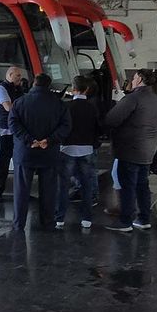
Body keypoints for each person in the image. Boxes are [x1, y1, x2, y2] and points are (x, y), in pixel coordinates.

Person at [102, 68, 157, 231]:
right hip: (148, 149)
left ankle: (125, 221)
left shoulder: (133, 98)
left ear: (140, 79)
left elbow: (111, 119)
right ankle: (144, 218)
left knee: (127, 185)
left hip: (129, 148)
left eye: (134, 78)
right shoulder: (156, 100)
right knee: (142, 185)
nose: (132, 81)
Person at [10, 73, 70, 230]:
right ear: (48, 85)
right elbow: (66, 126)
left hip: (25, 152)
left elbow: (13, 124)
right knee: (49, 190)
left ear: (33, 84)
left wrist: (29, 140)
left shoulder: (19, 102)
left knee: (21, 191)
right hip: (48, 152)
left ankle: (19, 224)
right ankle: (48, 223)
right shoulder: (58, 104)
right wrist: (48, 140)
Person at [55, 75, 101, 229]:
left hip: (67, 149)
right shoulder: (92, 107)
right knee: (86, 185)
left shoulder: (65, 106)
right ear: (87, 89)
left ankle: (60, 218)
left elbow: (60, 128)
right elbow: (99, 128)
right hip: (87, 149)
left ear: (72, 89)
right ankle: (86, 219)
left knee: (63, 185)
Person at [0, 66, 27, 201]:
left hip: (18, 131)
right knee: (4, 163)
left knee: (20, 162)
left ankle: (20, 192)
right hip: (7, 132)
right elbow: (8, 107)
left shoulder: (19, 89)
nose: (20, 78)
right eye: (18, 75)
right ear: (10, 75)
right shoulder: (1, 89)